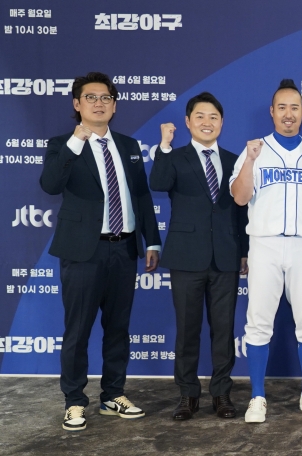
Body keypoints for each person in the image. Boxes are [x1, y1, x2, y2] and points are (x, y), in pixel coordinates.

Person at [40, 72, 161, 431]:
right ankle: (74, 401)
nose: (99, 103)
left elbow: (141, 196)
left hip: (123, 249)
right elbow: (50, 185)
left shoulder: (128, 146)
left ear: (115, 105)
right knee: (77, 330)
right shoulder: (62, 145)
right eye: (90, 97)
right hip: (83, 252)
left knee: (118, 328)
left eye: (106, 97)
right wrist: (76, 141)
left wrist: (152, 241)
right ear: (77, 104)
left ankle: (113, 395)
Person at [229, 79, 302, 423]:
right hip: (266, 244)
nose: (288, 114)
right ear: (272, 112)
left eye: (294, 108)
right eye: (282, 108)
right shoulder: (255, 150)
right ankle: (257, 397)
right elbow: (240, 197)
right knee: (258, 322)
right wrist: (250, 161)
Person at [150, 92, 249, 420]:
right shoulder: (174, 157)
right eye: (200, 117)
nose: (207, 122)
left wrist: (244, 252)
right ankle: (187, 395)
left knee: (224, 330)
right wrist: (164, 146)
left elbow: (241, 211)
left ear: (222, 122)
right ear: (188, 122)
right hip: (186, 258)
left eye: (214, 117)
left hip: (225, 257)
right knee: (187, 330)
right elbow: (158, 182)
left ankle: (221, 394)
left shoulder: (235, 160)